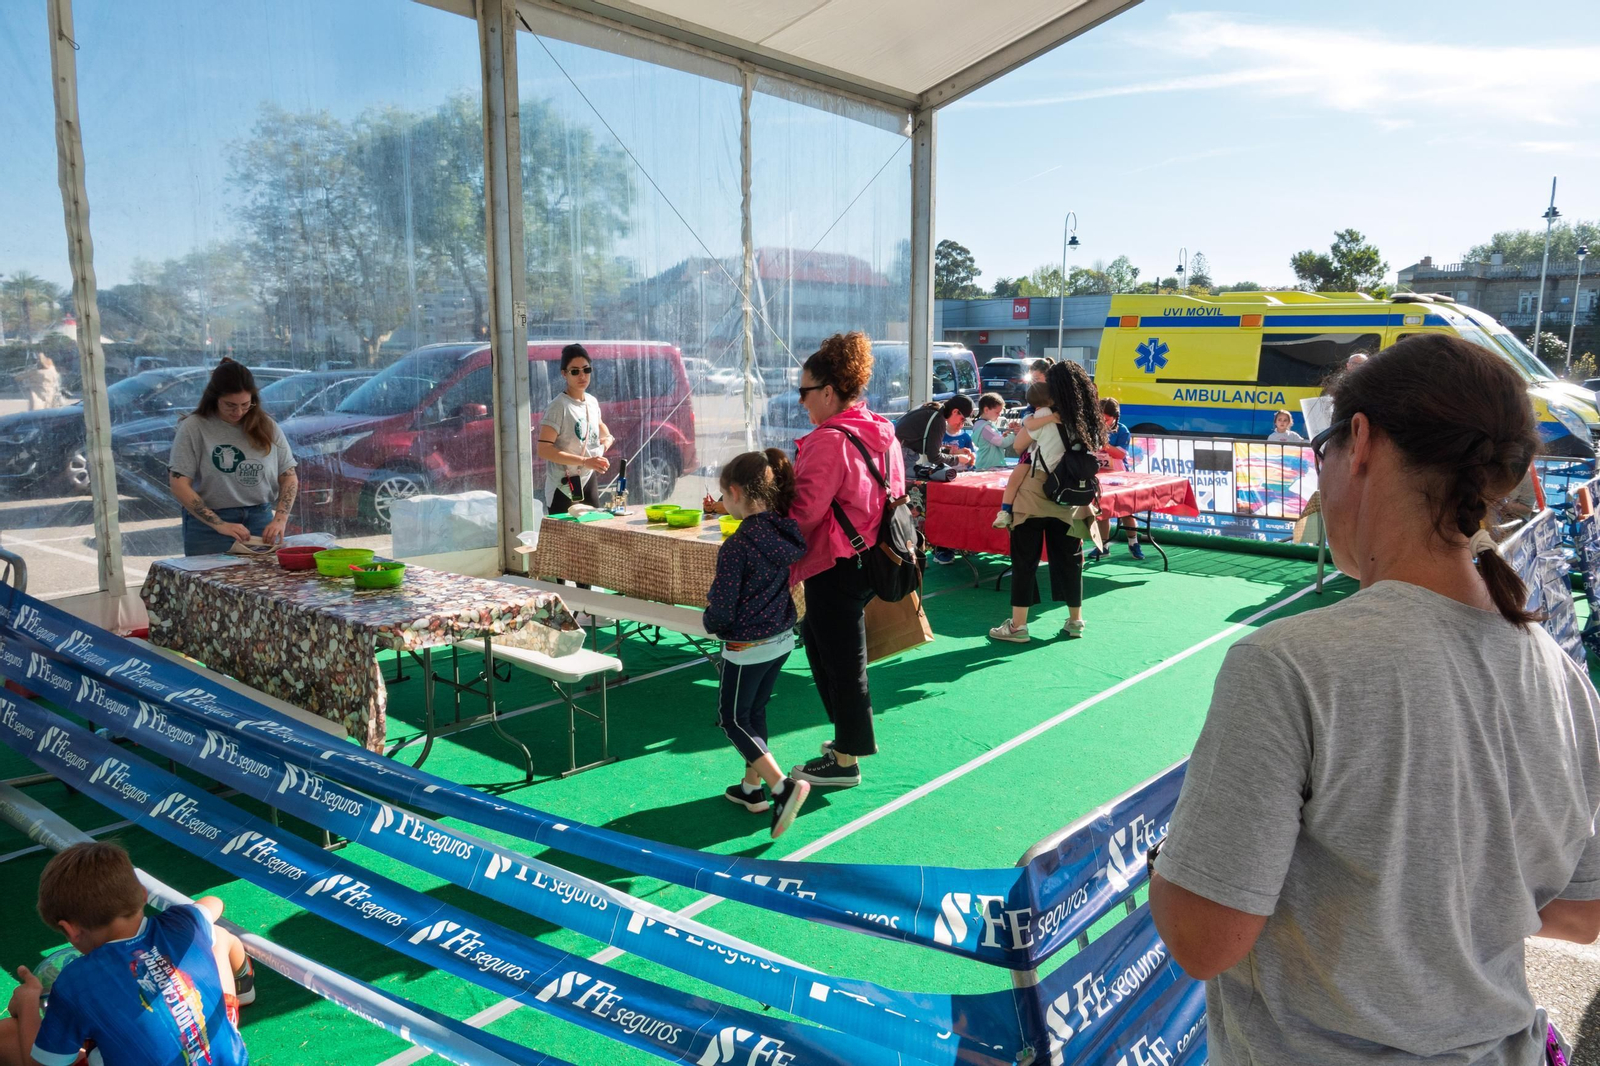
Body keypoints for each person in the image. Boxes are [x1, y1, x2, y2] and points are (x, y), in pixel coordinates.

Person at [1150, 334, 1600, 1066]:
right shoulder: (1562, 676)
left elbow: (1204, 939)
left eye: (1321, 448)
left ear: (1359, 442)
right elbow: (1581, 914)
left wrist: (1170, 860)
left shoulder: (1288, 665)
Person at [1, 842, 252, 1066]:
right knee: (218, 936)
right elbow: (213, 903)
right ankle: (245, 985)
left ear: (71, 930)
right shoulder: (185, 922)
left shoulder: (73, 983)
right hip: (226, 1056)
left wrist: (27, 1004)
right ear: (142, 894)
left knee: (8, 1034)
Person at [786, 331, 904, 789]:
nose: (802, 402)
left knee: (841, 660)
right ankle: (845, 742)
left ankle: (846, 759)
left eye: (805, 391)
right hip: (871, 556)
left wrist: (763, 535)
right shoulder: (880, 430)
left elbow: (805, 512)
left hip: (835, 562)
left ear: (829, 392)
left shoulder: (827, 440)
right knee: (823, 646)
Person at [702, 449, 811, 838]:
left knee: (732, 719)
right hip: (781, 639)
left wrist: (709, 615)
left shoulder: (737, 546)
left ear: (733, 492)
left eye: (723, 497)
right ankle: (752, 789)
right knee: (754, 712)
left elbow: (723, 613)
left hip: (746, 648)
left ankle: (782, 788)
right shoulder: (786, 531)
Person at [989, 362, 1103, 643]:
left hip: (1033, 493)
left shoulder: (1043, 414)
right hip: (1070, 497)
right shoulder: (1087, 418)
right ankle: (1075, 620)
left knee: (1025, 559)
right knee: (1070, 559)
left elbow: (1018, 446)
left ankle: (1018, 627)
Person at [168, 359, 297, 556]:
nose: (238, 412)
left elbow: (289, 476)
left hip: (259, 517)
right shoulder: (194, 427)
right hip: (209, 525)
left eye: (245, 405)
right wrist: (220, 525)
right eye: (230, 405)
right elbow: (179, 484)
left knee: (261, 582)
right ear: (214, 398)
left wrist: (280, 519)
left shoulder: (268, 426)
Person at [537, 344, 613, 514]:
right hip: (563, 483)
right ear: (564, 373)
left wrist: (607, 439)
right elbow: (544, 449)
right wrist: (585, 461)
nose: (582, 376)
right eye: (575, 371)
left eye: (586, 370)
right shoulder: (558, 406)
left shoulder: (592, 401)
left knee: (594, 533)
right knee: (563, 537)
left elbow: (599, 425)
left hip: (587, 478)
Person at [991, 382, 1056, 529]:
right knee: (1014, 480)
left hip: (1033, 455)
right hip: (1037, 455)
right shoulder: (1039, 414)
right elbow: (1030, 427)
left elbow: (1023, 438)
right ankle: (1005, 510)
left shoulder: (1036, 414)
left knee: (1014, 481)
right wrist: (1053, 418)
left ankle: (1005, 510)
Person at [1088, 397, 1143, 561]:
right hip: (1098, 474)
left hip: (1118, 475)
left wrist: (1104, 445)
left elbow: (1120, 453)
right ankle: (1103, 546)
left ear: (1115, 417)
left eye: (1106, 419)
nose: (1103, 423)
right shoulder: (1092, 428)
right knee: (1102, 511)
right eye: (1100, 419)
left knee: (1125, 510)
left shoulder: (1122, 430)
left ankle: (1133, 542)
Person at [894, 394, 974, 474]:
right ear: (955, 411)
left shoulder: (934, 410)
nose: (961, 423)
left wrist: (953, 452)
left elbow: (931, 449)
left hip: (898, 448)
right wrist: (958, 459)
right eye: (962, 419)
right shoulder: (938, 420)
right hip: (902, 453)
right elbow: (934, 457)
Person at [970, 393, 1016, 471]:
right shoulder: (985, 428)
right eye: (997, 412)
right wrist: (1016, 434)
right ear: (986, 410)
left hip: (985, 464)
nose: (999, 415)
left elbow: (992, 442)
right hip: (989, 466)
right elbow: (1002, 443)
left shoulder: (981, 425)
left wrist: (1004, 436)